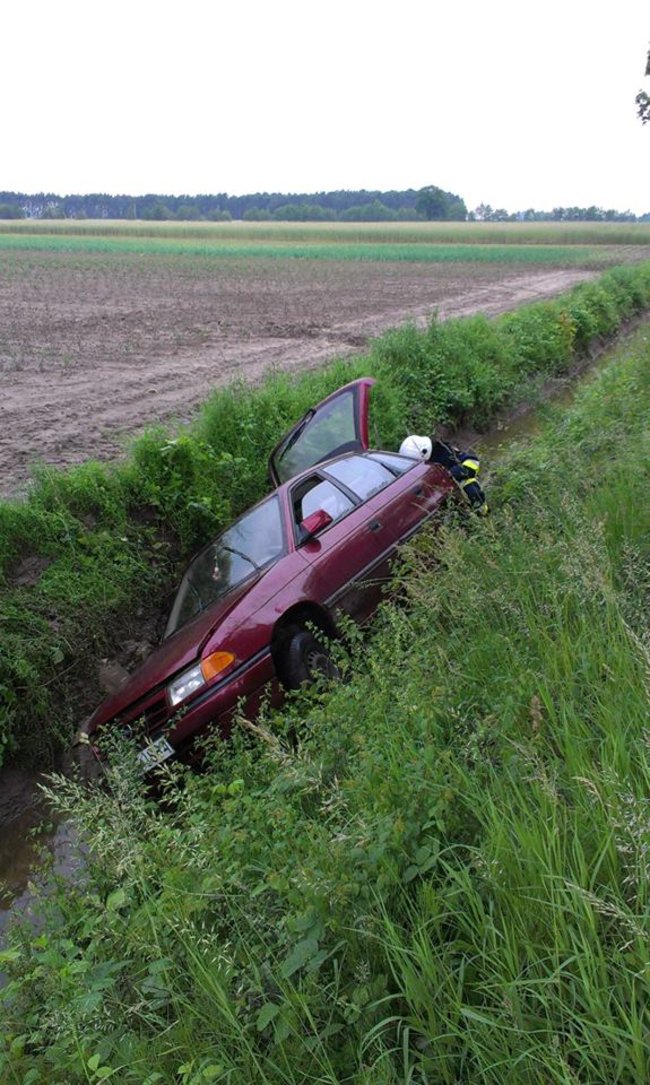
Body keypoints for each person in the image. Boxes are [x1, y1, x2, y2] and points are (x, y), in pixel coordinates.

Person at [399, 434, 489, 515]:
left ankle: (483, 515)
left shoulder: (444, 451)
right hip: (442, 496)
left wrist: (455, 472)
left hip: (460, 486)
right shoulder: (425, 463)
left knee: (471, 489)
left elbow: (473, 461)